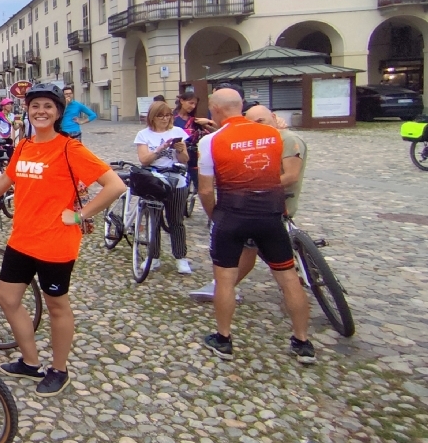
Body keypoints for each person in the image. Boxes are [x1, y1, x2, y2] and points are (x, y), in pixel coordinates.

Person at [0, 82, 126, 396]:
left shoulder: (70, 149)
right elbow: (7, 179)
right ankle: (30, 361)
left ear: (57, 113)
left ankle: (59, 369)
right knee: (7, 298)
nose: (41, 111)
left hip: (56, 243)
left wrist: (81, 215)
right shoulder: (24, 146)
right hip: (22, 238)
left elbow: (114, 185)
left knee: (56, 307)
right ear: (27, 110)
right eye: (35, 106)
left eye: (48, 107)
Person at [196, 89, 315, 363]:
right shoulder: (274, 136)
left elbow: (205, 190)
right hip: (270, 214)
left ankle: (224, 339)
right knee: (287, 278)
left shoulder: (211, 141)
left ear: (215, 109)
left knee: (225, 279)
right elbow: (285, 172)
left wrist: (215, 216)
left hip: (232, 214)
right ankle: (302, 342)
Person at [190, 105, 306, 301]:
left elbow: (291, 176)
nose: (255, 127)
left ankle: (223, 288)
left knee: (265, 256)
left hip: (274, 203)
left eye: (260, 121)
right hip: (261, 204)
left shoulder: (286, 139)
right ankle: (222, 286)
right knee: (250, 249)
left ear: (274, 118)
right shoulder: (259, 138)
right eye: (251, 123)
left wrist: (250, 187)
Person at [134, 101, 193, 274]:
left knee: (176, 220)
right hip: (154, 180)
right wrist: (161, 148)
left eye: (168, 115)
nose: (165, 119)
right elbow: (144, 160)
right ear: (153, 117)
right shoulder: (143, 135)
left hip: (176, 180)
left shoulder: (178, 132)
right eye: (161, 116)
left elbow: (185, 160)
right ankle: (154, 257)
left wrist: (181, 150)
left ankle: (181, 257)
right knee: (154, 221)